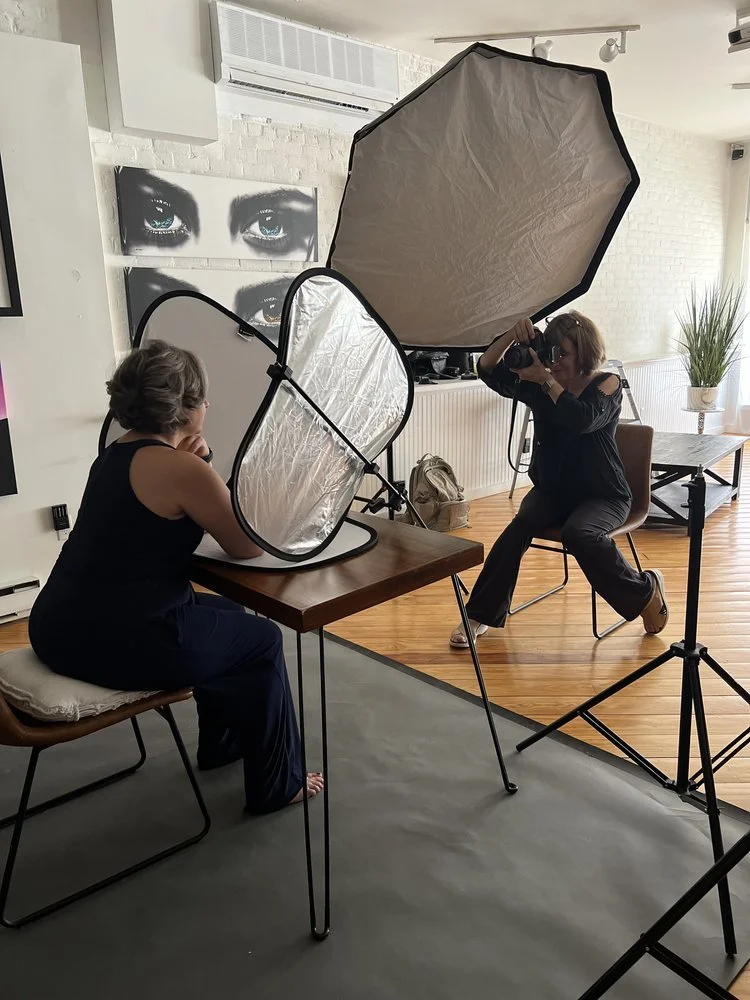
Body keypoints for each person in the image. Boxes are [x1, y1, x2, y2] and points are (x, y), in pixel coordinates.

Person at [29, 340, 322, 814]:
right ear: (185, 409)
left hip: (54, 627)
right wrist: (203, 467)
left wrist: (196, 468)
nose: (208, 406)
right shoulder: (184, 468)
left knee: (229, 613)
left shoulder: (111, 455)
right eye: (203, 399)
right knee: (263, 639)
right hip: (116, 640)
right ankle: (277, 784)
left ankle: (222, 744)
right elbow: (245, 544)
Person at [450, 312, 668, 648]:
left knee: (579, 533)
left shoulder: (606, 384)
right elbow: (487, 369)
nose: (556, 362)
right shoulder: (539, 386)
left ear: (584, 350)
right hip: (553, 491)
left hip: (603, 495)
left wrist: (546, 381)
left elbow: (580, 419)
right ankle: (479, 614)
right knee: (519, 526)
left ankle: (645, 592)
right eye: (551, 353)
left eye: (563, 353)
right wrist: (512, 333)